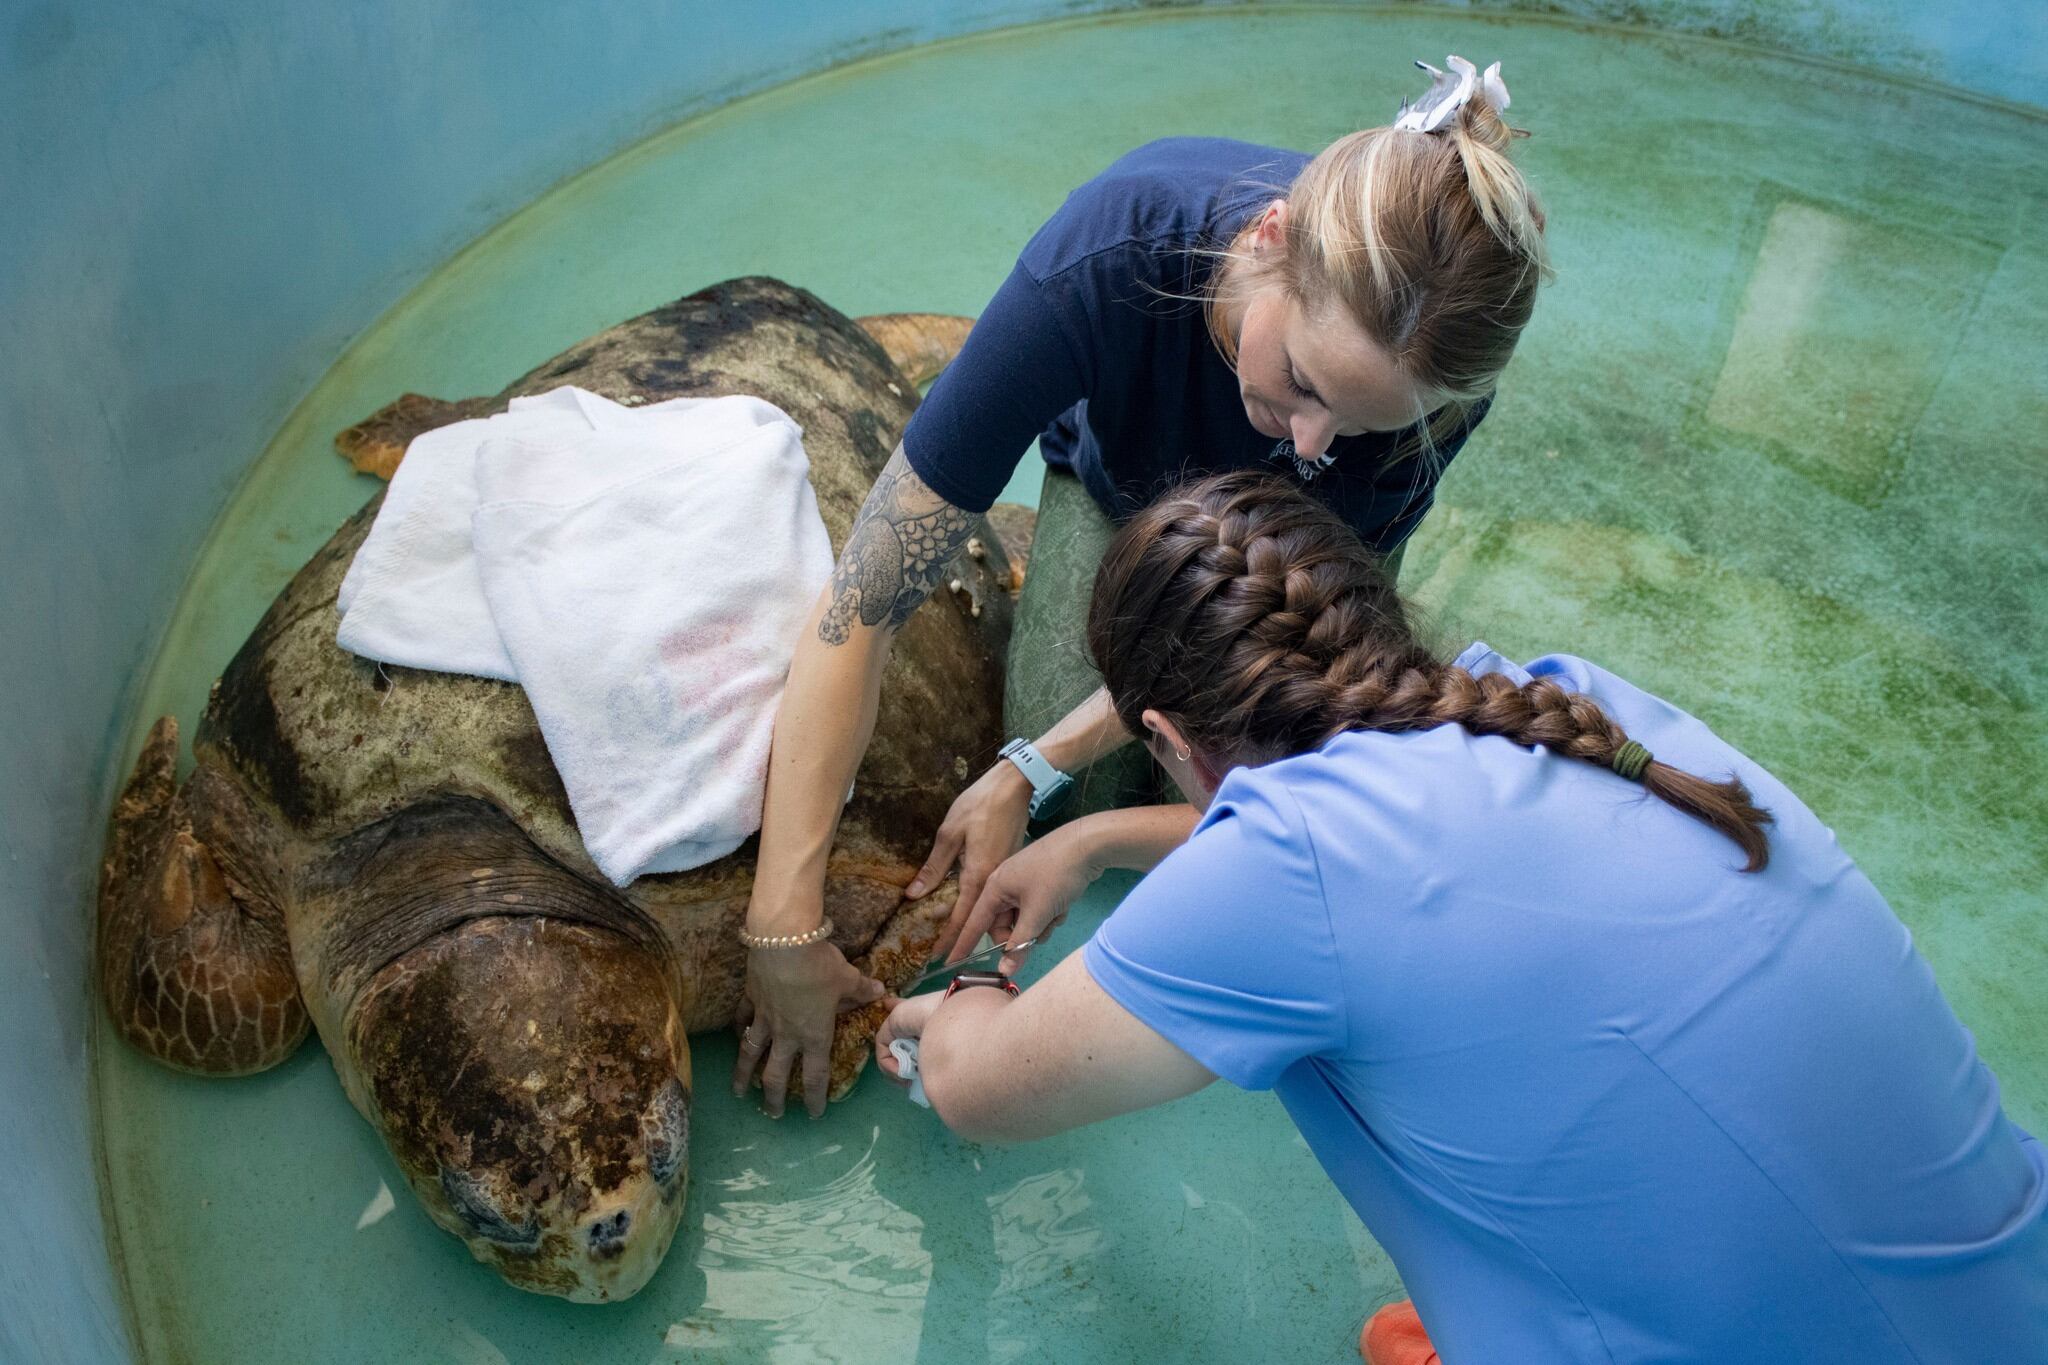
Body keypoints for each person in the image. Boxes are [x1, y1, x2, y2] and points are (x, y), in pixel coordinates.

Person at [874, 472, 2048, 1363]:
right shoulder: (1567, 704)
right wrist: (1092, 837)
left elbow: (984, 1092)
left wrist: (960, 999)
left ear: (1169, 741)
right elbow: (1386, 881)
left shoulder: (1288, 874)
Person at [734, 55, 1552, 1116]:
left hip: (1273, 566)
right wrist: (780, 926)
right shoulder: (1108, 255)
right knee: (1059, 757)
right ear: (1266, 242)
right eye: (1302, 384)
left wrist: (1042, 775)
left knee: (1256, 804)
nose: (1310, 446)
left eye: (1359, 425)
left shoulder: (1432, 376)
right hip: (1120, 486)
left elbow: (1275, 636)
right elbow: (862, 602)